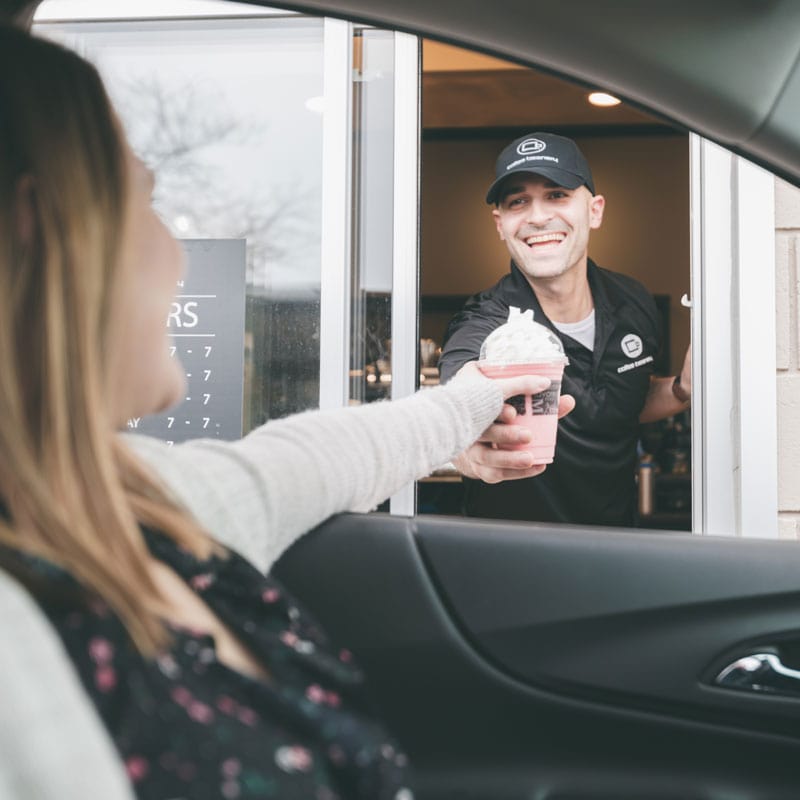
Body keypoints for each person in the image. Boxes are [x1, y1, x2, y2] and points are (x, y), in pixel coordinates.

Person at [0, 26, 571, 800]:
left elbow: (335, 450)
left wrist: (473, 404)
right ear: (41, 231)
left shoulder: (130, 498)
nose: (175, 250)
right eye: (142, 201)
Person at [439, 131, 692, 527]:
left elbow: (622, 399)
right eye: (518, 201)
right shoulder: (487, 323)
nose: (538, 216)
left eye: (556, 194)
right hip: (510, 561)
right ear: (500, 224)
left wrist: (681, 389)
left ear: (594, 210)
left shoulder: (633, 301)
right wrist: (466, 449)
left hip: (616, 550)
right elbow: (459, 394)